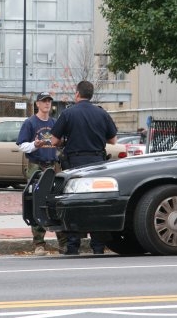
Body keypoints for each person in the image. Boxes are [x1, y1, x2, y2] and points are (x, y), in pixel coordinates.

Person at [50, 80, 118, 255]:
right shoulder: (102, 114)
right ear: (91, 95)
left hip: (75, 165)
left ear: (77, 94)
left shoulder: (68, 113)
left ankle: (73, 246)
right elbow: (113, 140)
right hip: (97, 163)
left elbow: (54, 141)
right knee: (97, 202)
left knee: (73, 203)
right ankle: (97, 246)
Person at [16, 91, 68, 256]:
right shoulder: (30, 123)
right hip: (36, 166)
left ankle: (63, 243)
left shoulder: (55, 122)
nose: (47, 104)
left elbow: (61, 142)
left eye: (49, 101)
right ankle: (39, 243)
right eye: (44, 101)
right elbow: (21, 145)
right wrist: (35, 145)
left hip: (53, 166)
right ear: (37, 104)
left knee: (56, 202)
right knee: (36, 202)